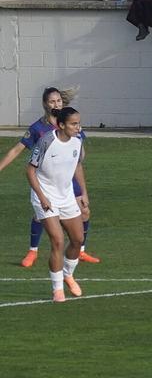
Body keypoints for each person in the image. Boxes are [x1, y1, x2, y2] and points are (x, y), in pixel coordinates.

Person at [0, 87, 100, 269]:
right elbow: (17, 149)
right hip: (47, 179)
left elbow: (80, 156)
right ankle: (33, 251)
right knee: (41, 215)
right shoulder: (38, 128)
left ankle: (80, 250)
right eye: (52, 101)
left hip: (68, 177)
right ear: (45, 104)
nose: (56, 104)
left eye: (59, 101)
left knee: (84, 211)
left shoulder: (70, 122)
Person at [26, 105, 90, 302]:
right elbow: (30, 170)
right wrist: (42, 198)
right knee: (58, 241)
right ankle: (57, 290)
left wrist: (84, 192)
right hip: (45, 196)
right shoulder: (46, 141)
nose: (78, 127)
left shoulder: (77, 141)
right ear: (61, 125)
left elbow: (77, 166)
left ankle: (68, 274)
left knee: (78, 239)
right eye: (73, 124)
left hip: (66, 196)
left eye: (79, 123)